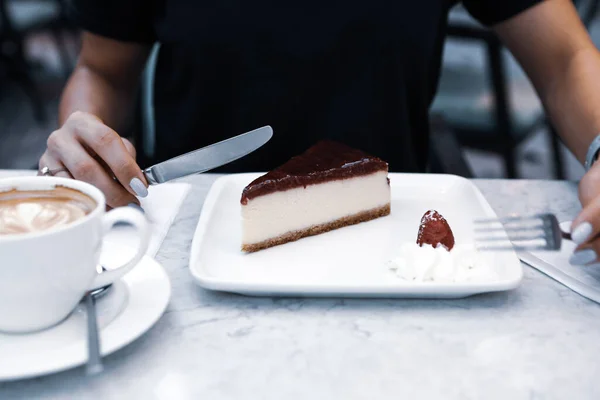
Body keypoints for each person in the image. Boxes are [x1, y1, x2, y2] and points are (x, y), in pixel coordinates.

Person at [38, 0, 600, 264]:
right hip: (186, 250)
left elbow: (566, 59)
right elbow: (102, 71)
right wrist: (83, 148)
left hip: (399, 245)